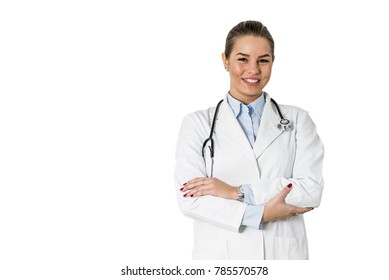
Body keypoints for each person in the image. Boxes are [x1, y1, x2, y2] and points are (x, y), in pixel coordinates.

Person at [174, 20, 324, 260]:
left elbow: (310, 190)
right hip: (221, 258)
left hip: (282, 256)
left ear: (272, 62)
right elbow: (191, 201)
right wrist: (262, 214)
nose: (253, 70)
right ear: (225, 60)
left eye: (263, 60)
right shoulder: (197, 124)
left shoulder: (297, 120)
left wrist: (236, 192)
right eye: (242, 59)